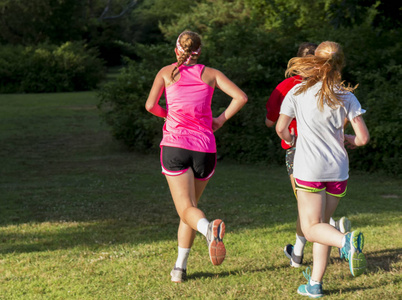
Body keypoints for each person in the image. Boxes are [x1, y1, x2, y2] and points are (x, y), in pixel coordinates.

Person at [145, 31, 247, 283]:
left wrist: (168, 116)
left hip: (175, 146)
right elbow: (241, 97)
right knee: (190, 208)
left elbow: (150, 106)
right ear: (198, 51)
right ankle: (179, 268)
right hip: (204, 149)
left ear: (176, 50)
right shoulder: (211, 74)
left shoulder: (166, 73)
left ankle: (208, 230)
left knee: (187, 210)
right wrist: (220, 121)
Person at [276, 41, 369, 297]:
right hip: (338, 171)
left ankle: (345, 241)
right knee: (322, 225)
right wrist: (349, 140)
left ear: (316, 61)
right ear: (340, 64)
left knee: (310, 228)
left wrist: (292, 139)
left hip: (309, 169)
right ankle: (315, 284)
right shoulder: (347, 96)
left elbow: (280, 129)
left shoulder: (297, 92)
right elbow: (362, 138)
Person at [265, 42, 351, 268]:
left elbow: (272, 122)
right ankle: (310, 270)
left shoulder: (289, 87)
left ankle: (311, 249)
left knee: (307, 208)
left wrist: (290, 136)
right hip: (334, 155)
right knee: (314, 211)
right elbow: (348, 123)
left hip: (299, 150)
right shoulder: (337, 87)